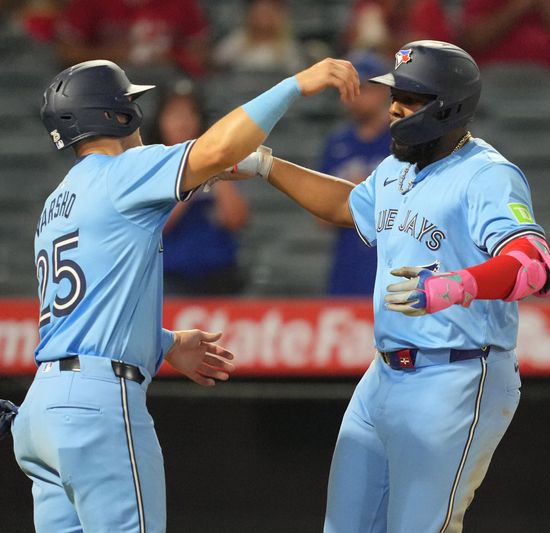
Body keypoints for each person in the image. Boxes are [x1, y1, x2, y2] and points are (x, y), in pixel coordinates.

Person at [3, 57, 359, 532]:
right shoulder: (122, 171)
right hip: (97, 407)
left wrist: (165, 343)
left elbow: (87, 309)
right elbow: (218, 150)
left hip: (40, 412)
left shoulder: (57, 201)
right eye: (130, 102)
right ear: (116, 114)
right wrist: (297, 83)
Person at [262, 40, 550, 532]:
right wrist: (266, 167)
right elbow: (349, 206)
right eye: (396, 94)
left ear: (449, 105)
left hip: (457, 374)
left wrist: (450, 287)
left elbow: (534, 266)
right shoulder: (399, 166)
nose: (396, 107)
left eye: (412, 98)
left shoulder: (487, 175)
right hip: (382, 375)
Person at [150, 80, 250, 295]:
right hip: (169, 278)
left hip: (219, 275)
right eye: (174, 114)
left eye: (189, 114)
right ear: (160, 121)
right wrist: (191, 180)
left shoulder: (216, 160)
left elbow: (236, 219)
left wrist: (215, 167)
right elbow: (153, 226)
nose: (182, 122)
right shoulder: (150, 164)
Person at [318, 51, 391, 295]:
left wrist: (363, 194)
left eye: (364, 87)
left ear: (383, 90)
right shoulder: (337, 143)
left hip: (394, 259)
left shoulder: (405, 139)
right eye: (350, 87)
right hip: (348, 264)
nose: (356, 94)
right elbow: (321, 217)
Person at [54, 0, 210, 77]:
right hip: (104, 82)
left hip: (166, 82)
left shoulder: (181, 3)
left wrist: (168, 56)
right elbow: (66, 52)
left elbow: (200, 53)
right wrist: (114, 54)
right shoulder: (90, 3)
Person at [212, 0, 306, 73]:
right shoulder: (239, 40)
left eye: (267, 14)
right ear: (251, 16)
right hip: (241, 92)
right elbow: (217, 62)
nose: (263, 19)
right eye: (260, 13)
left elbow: (297, 71)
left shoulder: (287, 46)